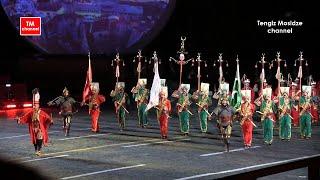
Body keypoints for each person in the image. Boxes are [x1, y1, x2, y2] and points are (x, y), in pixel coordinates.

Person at [17, 88, 53, 156]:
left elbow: (47, 117)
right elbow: (25, 118)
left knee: (40, 136)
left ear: (38, 105)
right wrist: (19, 119)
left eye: (36, 105)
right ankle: (36, 150)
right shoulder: (30, 112)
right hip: (33, 127)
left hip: (40, 127)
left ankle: (39, 150)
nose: (35, 106)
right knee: (35, 140)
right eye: (34, 105)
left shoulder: (41, 112)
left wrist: (50, 120)